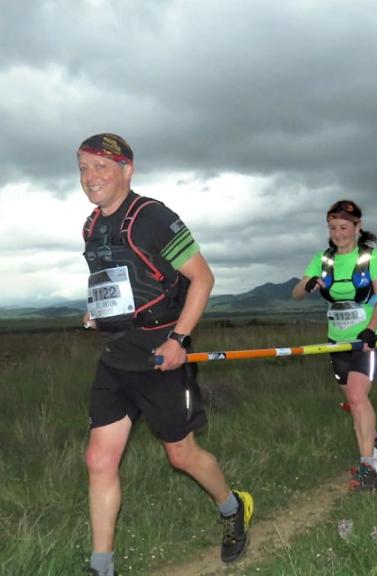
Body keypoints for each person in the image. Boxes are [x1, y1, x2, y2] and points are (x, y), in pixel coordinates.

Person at [77, 133, 253, 576]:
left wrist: (179, 340)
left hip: (159, 358)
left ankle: (234, 508)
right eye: (83, 167)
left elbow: (202, 279)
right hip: (116, 357)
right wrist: (98, 312)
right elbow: (123, 285)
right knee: (99, 460)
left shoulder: (153, 218)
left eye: (101, 166)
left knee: (181, 456)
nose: (90, 177)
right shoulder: (91, 226)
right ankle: (102, 567)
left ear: (126, 170)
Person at [292, 199, 377, 491]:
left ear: (358, 227)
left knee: (358, 398)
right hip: (337, 342)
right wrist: (307, 285)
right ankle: (373, 439)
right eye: (333, 228)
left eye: (344, 227)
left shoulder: (370, 257)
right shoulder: (323, 260)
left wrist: (371, 330)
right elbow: (296, 292)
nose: (338, 233)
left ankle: (368, 467)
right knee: (353, 401)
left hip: (368, 341)